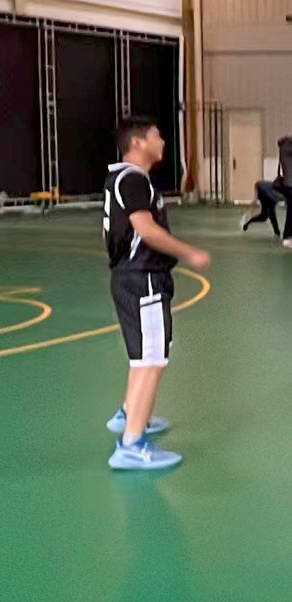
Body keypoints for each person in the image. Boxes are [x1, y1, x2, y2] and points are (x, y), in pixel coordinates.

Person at [104, 117, 212, 470]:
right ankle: (131, 446)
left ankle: (130, 414)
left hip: (133, 278)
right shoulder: (133, 179)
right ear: (137, 143)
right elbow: (145, 230)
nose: (163, 141)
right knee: (152, 360)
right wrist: (189, 252)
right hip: (143, 279)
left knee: (144, 357)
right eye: (156, 136)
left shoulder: (125, 178)